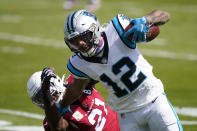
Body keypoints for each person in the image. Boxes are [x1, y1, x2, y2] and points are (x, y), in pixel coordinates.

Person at [59, 9, 183, 131]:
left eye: (84, 37)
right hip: (126, 115)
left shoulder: (117, 29)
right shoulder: (79, 62)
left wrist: (145, 20)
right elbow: (77, 88)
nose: (80, 44)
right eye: (74, 42)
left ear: (94, 28)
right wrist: (60, 106)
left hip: (154, 101)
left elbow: (163, 14)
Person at [27, 68, 120, 131]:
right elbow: (59, 128)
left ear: (54, 83)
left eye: (42, 94)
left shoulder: (75, 83)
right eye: (39, 99)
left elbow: (99, 70)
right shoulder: (51, 119)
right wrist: (46, 92)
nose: (44, 100)